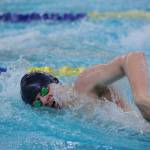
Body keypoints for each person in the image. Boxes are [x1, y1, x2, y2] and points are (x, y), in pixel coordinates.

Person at [20, 52, 150, 122]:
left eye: (43, 90)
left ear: (54, 81)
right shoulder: (69, 116)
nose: (44, 101)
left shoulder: (83, 85)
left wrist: (141, 97)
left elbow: (133, 57)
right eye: (37, 103)